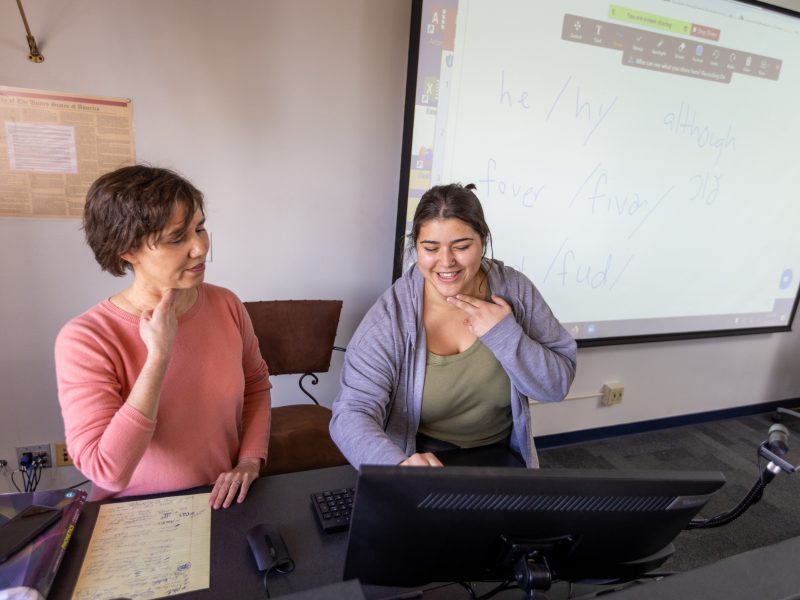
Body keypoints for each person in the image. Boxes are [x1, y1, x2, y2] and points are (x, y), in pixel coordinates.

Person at [54, 165, 270, 509]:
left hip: (223, 502)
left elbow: (257, 383)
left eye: (199, 228)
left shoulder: (226, 304)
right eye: (177, 238)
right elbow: (107, 471)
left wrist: (249, 460)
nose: (200, 247)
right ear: (127, 250)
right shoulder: (86, 339)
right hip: (134, 514)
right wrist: (158, 357)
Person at [330, 183, 576, 468]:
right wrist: (397, 466)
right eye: (430, 248)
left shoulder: (515, 290)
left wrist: (505, 335)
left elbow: (556, 386)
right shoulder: (390, 318)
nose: (446, 262)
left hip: (501, 452)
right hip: (420, 456)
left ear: (482, 240)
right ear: (415, 247)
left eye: (461, 246)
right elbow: (351, 413)